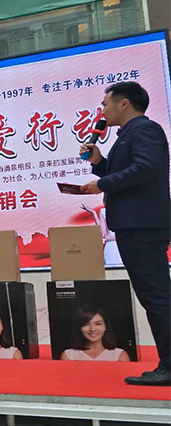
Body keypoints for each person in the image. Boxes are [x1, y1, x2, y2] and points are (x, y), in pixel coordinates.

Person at [80, 81, 170, 385]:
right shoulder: (128, 135)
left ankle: (169, 366)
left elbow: (146, 169)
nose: (102, 110)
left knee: (157, 297)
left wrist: (102, 184)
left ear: (124, 103)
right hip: (136, 226)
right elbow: (129, 174)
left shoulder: (145, 130)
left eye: (105, 104)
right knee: (154, 296)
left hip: (143, 226)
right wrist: (99, 164)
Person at [60, 305, 130, 362]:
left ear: (105, 327)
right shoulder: (68, 355)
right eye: (86, 324)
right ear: (79, 327)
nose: (92, 329)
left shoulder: (120, 355)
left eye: (98, 324)